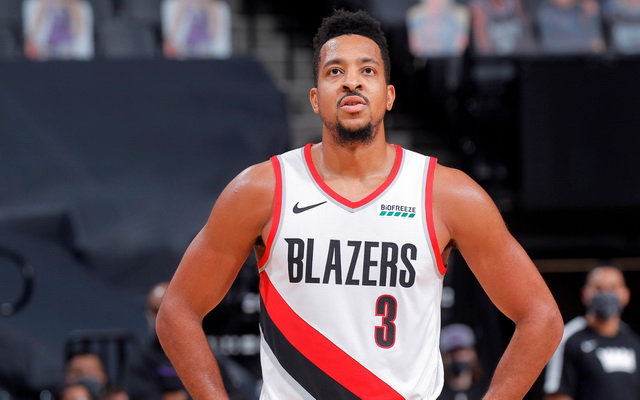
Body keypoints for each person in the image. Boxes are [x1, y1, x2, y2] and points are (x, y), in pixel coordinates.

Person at [156, 8, 563, 399]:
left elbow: (541, 317)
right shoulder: (263, 189)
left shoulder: (447, 194)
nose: (351, 82)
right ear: (315, 98)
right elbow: (177, 312)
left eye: (367, 70)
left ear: (389, 95)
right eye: (335, 71)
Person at [543, 264, 640, 400]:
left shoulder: (633, 341)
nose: (606, 293)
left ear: (626, 295)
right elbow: (557, 395)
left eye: (613, 288)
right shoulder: (568, 338)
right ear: (585, 294)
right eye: (598, 288)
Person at [22, 0, 94, 60]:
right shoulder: (33, 5)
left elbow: (84, 51)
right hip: (42, 67)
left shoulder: (81, 6)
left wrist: (75, 13)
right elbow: (30, 49)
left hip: (73, 66)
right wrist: (41, 13)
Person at [161, 0, 231, 59]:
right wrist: (180, 11)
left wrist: (212, 11)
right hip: (183, 65)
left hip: (211, 65)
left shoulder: (219, 7)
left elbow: (221, 50)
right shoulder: (172, 5)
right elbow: (170, 46)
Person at [405, 0, 471, 58]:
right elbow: (416, 48)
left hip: (451, 62)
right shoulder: (416, 17)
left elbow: (459, 48)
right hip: (424, 63)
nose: (436, 2)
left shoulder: (457, 18)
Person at [535, 0, 605, 54]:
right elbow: (550, 45)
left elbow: (598, 45)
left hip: (585, 63)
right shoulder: (544, 13)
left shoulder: (588, 9)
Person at [469, 0, 537, 55]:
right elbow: (484, 48)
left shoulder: (515, 3)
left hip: (519, 57)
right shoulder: (478, 6)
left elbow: (526, 32)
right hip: (495, 60)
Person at [438, 323, 485, 400]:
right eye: (451, 352)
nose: (457, 357)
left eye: (462, 350)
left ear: (473, 353)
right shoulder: (433, 395)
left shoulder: (489, 391)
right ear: (442, 357)